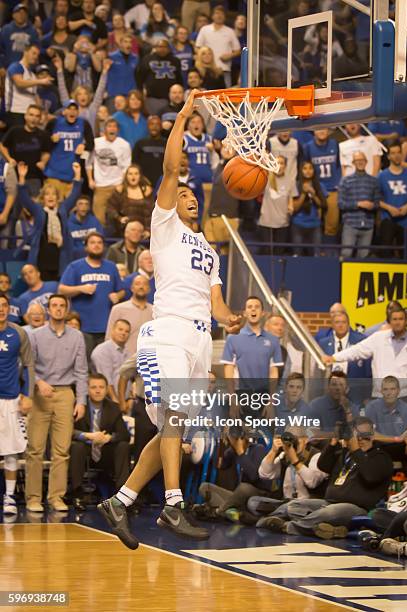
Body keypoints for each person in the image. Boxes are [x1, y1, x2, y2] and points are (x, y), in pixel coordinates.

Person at [97, 90, 242, 548]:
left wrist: (231, 320)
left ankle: (121, 501)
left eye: (192, 194)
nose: (189, 196)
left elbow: (216, 306)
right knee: (175, 420)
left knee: (170, 432)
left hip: (200, 338)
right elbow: (171, 169)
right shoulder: (164, 228)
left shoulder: (211, 252)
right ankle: (173, 506)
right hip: (169, 333)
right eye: (182, 194)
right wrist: (181, 117)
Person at [258, 417, 394, 539]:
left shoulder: (381, 458)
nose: (361, 440)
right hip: (329, 502)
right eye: (358, 436)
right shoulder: (346, 454)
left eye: (366, 436)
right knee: (295, 506)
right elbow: (323, 466)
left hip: (357, 509)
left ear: (373, 436)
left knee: (329, 513)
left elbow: (371, 476)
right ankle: (334, 530)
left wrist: (355, 450)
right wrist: (334, 441)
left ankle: (286, 526)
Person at [26, 294, 88, 512]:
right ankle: (33, 497)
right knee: (35, 448)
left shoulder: (77, 336)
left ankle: (55, 497)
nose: (59, 309)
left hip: (65, 394)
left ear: (67, 309)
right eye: (55, 306)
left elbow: (81, 371)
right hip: (40, 393)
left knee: (61, 450)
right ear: (48, 309)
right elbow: (28, 366)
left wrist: (81, 401)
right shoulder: (35, 335)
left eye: (62, 306)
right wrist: (39, 383)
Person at [59, 232, 124, 361]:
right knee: (84, 363)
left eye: (99, 243)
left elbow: (122, 290)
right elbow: (61, 290)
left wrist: (117, 295)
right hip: (82, 327)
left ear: (104, 247)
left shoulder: (111, 267)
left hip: (106, 326)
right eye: (92, 243)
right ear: (86, 247)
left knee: (103, 364)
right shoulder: (75, 266)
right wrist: (80, 288)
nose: (96, 245)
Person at [69, 373, 131, 511]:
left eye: (101, 387)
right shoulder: (78, 406)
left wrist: (108, 438)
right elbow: (68, 431)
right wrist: (88, 436)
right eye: (94, 387)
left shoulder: (114, 407)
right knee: (77, 447)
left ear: (106, 389)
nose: (98, 390)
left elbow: (124, 434)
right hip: (85, 451)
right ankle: (77, 493)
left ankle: (122, 496)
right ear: (87, 389)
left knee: (123, 446)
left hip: (105, 451)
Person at [324, 303, 407, 399]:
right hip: (380, 396)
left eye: (401, 319)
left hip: (404, 395)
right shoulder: (378, 337)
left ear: (406, 321)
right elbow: (357, 350)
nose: (397, 322)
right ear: (389, 321)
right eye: (394, 319)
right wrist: (334, 357)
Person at [16, 161, 83, 280]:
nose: (51, 197)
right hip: (42, 256)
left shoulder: (63, 209)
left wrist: (77, 175)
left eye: (53, 194)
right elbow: (24, 198)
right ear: (43, 197)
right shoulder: (38, 210)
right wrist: (21, 177)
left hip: (60, 256)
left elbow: (74, 195)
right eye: (47, 194)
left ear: (58, 197)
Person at [221, 296, 282, 422]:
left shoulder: (273, 340)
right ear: (244, 313)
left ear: (263, 313)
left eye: (257, 307)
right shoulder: (233, 338)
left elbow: (273, 372)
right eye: (250, 307)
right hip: (241, 395)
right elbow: (228, 371)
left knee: (265, 440)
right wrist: (233, 400)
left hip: (264, 397)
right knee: (239, 440)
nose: (253, 310)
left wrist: (271, 401)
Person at [0, 292, 34, 515]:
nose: (1, 309)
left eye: (4, 305)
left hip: (11, 399)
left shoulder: (18, 332)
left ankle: (10, 497)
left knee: (11, 451)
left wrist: (27, 395)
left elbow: (29, 365)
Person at [249, 427, 328, 518]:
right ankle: (280, 517)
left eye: (296, 439)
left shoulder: (316, 455)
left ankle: (272, 517)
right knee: (253, 502)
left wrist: (295, 460)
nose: (292, 443)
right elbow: (264, 474)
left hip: (307, 504)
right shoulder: (284, 456)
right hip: (285, 502)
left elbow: (312, 482)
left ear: (305, 440)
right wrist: (273, 451)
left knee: (291, 507)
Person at [44, 99, 94, 201]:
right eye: (69, 109)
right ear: (64, 111)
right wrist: (51, 140)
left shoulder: (83, 123)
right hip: (55, 173)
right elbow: (43, 144)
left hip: (73, 174)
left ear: (78, 112)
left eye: (75, 109)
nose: (72, 112)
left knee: (71, 209)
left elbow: (91, 144)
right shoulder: (54, 123)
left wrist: (84, 146)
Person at [86, 118, 131, 224]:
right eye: (109, 126)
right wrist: (90, 180)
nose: (112, 129)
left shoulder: (124, 145)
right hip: (100, 186)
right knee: (98, 218)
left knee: (117, 217)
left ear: (118, 130)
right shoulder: (96, 143)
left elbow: (126, 167)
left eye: (114, 126)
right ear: (105, 129)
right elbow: (89, 163)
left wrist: (122, 184)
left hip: (117, 186)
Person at [0, 104, 52, 197]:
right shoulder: (15, 131)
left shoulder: (43, 135)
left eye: (37, 116)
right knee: (15, 207)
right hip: (14, 175)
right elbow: (2, 145)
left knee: (32, 205)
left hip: (34, 176)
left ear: (40, 119)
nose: (34, 118)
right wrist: (9, 159)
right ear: (25, 116)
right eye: (31, 115)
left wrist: (43, 162)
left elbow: (46, 152)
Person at [54, 54, 111, 135]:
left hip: (90, 143)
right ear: (76, 97)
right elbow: (62, 90)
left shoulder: (93, 108)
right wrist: (59, 71)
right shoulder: (70, 108)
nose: (83, 96)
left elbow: (100, 90)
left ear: (89, 97)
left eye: (85, 94)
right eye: (80, 94)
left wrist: (105, 72)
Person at [338, 151, 380, 259]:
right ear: (353, 163)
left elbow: (377, 203)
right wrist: (358, 204)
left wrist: (372, 206)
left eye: (362, 160)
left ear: (366, 162)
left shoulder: (374, 181)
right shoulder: (345, 181)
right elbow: (341, 204)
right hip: (350, 224)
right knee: (346, 254)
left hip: (368, 225)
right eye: (357, 161)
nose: (360, 162)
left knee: (364, 257)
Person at [304, 128, 342, 242]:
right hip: (316, 190)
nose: (321, 131)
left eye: (325, 129)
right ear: (314, 131)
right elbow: (305, 167)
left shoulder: (335, 144)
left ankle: (329, 252)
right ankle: (316, 252)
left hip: (333, 189)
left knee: (332, 224)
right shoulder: (308, 147)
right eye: (319, 129)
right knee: (315, 222)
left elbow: (340, 164)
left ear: (329, 131)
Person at [5, 43, 52, 127]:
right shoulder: (16, 66)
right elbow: (19, 83)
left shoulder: (32, 75)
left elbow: (35, 95)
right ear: (25, 52)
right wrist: (40, 81)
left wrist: (42, 112)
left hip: (29, 113)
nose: (35, 57)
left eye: (37, 55)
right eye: (33, 53)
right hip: (16, 111)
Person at [204, 147, 240, 254]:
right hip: (212, 218)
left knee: (225, 256)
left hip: (230, 219)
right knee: (210, 254)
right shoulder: (217, 165)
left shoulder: (240, 169)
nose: (227, 150)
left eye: (231, 148)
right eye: (225, 147)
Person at [106, 275, 153, 355]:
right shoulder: (118, 309)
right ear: (132, 288)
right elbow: (109, 337)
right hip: (123, 359)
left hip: (147, 360)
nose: (141, 287)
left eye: (144, 284)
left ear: (149, 289)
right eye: (137, 284)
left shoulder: (154, 311)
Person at [195, 5, 241, 88]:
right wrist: (203, 58)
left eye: (222, 14)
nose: (219, 16)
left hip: (224, 69)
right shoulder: (205, 29)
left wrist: (229, 56)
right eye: (217, 13)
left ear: (225, 16)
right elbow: (197, 47)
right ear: (212, 16)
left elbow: (238, 50)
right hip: (206, 71)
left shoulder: (230, 31)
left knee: (224, 97)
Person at [258, 155, 296, 255]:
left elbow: (291, 198)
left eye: (281, 163)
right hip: (266, 222)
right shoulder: (266, 179)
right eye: (276, 163)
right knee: (266, 252)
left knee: (279, 253)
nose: (279, 165)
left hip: (282, 223)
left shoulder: (291, 180)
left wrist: (291, 206)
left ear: (285, 166)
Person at [136, 39, 183, 116]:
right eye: (160, 46)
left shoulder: (175, 61)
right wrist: (141, 92)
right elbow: (140, 78)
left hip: (172, 99)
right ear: (155, 48)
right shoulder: (147, 60)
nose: (162, 49)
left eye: (165, 47)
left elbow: (179, 79)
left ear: (169, 48)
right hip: (153, 99)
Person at [378, 140, 407, 258]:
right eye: (393, 153)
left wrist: (406, 207)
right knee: (385, 253)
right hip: (388, 220)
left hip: (406, 221)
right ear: (389, 156)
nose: (396, 155)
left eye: (398, 152)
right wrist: (389, 208)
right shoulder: (381, 176)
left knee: (405, 256)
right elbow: (375, 199)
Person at [291, 161, 327, 256]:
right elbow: (295, 207)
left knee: (317, 255)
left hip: (315, 225)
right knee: (297, 255)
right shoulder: (295, 185)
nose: (308, 171)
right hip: (298, 224)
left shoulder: (319, 186)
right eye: (305, 168)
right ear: (301, 170)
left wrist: (313, 194)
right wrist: (303, 193)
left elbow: (322, 205)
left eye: (310, 168)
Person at [91, 319, 131, 403]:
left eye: (127, 331)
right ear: (112, 330)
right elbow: (106, 381)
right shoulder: (102, 351)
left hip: (125, 401)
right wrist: (116, 404)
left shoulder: (128, 352)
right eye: (120, 329)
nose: (123, 333)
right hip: (108, 402)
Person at [107, 165, 154, 235]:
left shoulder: (147, 191)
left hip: (143, 232)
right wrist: (119, 218)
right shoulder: (120, 190)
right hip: (124, 231)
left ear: (140, 176)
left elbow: (151, 213)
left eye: (136, 173)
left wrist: (148, 230)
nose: (133, 176)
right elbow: (110, 208)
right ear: (126, 176)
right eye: (130, 174)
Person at [67, 194, 104, 260]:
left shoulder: (95, 222)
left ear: (89, 207)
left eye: (86, 204)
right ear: (75, 207)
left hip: (93, 257)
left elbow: (101, 240)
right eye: (80, 204)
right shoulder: (68, 224)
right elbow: (69, 247)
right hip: (75, 259)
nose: (83, 207)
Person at [132, 115, 166, 186]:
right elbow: (135, 164)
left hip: (163, 183)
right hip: (144, 182)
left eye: (157, 124)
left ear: (161, 127)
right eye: (152, 124)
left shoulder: (166, 143)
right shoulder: (140, 143)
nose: (154, 126)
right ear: (147, 126)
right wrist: (141, 178)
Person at [106, 34, 139, 105]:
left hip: (129, 96)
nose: (128, 44)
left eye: (130, 42)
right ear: (120, 44)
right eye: (125, 42)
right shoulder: (111, 57)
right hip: (114, 95)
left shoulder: (136, 58)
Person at [183, 112, 213, 184]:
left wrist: (213, 150)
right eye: (193, 122)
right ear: (188, 126)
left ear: (203, 125)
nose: (196, 125)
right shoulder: (184, 139)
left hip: (208, 178)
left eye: (199, 122)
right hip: (191, 179)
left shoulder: (209, 139)